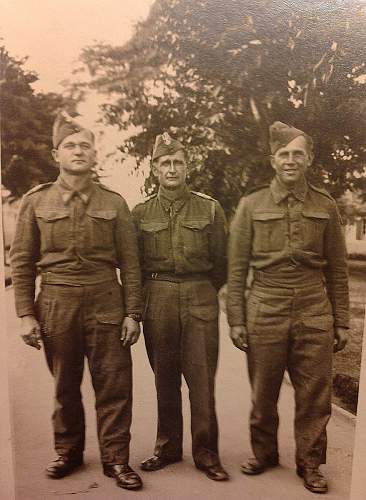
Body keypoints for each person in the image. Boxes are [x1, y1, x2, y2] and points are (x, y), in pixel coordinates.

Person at [10, 111, 143, 491]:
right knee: (64, 385)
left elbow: (131, 264)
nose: (78, 151)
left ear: (95, 155)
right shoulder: (36, 202)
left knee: (114, 386)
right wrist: (25, 314)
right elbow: (22, 262)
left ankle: (116, 460)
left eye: (85, 145)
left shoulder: (114, 203)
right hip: (56, 301)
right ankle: (68, 452)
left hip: (106, 301)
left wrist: (133, 312)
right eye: (70, 145)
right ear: (57, 155)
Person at [226, 121, 349, 494]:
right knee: (263, 390)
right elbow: (236, 268)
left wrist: (341, 321)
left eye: (298, 153)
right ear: (273, 160)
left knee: (314, 392)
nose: (291, 160)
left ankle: (310, 463)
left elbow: (339, 270)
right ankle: (264, 454)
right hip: (265, 304)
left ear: (309, 159)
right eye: (284, 154)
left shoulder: (326, 206)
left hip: (314, 306)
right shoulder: (251, 204)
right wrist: (236, 319)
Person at [131, 132, 229, 481]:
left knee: (202, 379)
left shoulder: (209, 207)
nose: (172, 168)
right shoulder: (141, 211)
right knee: (165, 377)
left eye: (178, 162)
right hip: (157, 295)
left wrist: (200, 288)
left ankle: (206, 453)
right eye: (165, 163)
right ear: (155, 169)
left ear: (188, 167)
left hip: (199, 293)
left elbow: (221, 261)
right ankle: (168, 447)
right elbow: (135, 265)